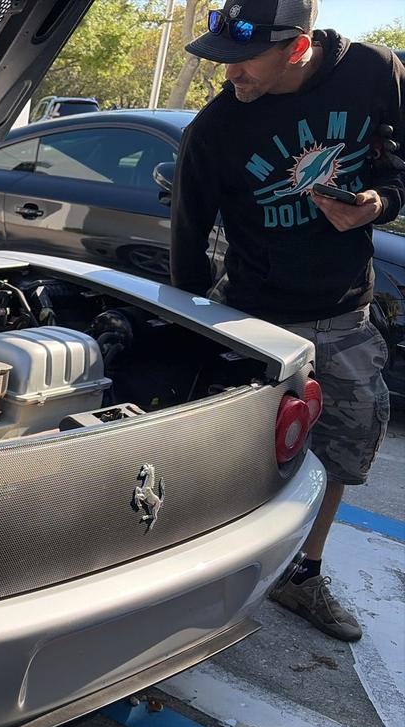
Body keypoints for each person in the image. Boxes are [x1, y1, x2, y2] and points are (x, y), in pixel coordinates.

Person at [171, 0, 403, 643]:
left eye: (242, 62)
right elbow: (187, 247)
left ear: (298, 48)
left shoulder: (377, 74)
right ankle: (198, 578)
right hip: (255, 321)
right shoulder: (214, 130)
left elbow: (397, 165)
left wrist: (377, 204)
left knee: (340, 456)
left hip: (346, 316)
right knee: (230, 463)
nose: (229, 76)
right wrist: (192, 332)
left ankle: (303, 577)